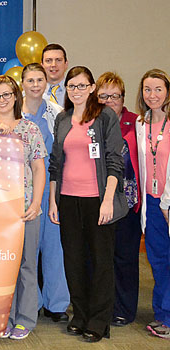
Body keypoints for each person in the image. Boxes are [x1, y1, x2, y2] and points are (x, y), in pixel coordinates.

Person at [48, 66, 127, 342]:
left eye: (82, 86)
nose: (77, 91)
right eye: (72, 86)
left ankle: (98, 321)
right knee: (74, 260)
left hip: (98, 201)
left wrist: (108, 201)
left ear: (92, 88)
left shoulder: (105, 117)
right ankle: (79, 315)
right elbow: (55, 164)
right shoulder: (63, 118)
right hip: (68, 200)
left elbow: (116, 162)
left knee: (102, 262)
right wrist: (53, 201)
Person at [0, 75, 46, 340]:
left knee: (26, 265)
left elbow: (38, 168)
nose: (1, 100)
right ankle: (1, 317)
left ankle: (25, 319)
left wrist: (36, 202)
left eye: (6, 95)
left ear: (15, 96)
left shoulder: (30, 130)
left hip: (24, 209)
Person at [20, 64, 70, 323]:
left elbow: (62, 154)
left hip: (51, 187)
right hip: (23, 189)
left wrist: (55, 195)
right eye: (30, 80)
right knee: (28, 250)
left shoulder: (57, 113)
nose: (36, 84)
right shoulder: (14, 114)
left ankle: (57, 304)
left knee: (54, 248)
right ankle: (33, 302)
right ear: (23, 83)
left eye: (40, 79)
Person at [95, 72, 142, 327]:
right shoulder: (91, 123)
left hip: (127, 204)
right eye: (103, 95)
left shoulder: (137, 122)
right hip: (99, 201)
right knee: (101, 259)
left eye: (114, 96)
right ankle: (104, 305)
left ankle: (124, 308)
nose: (109, 100)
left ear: (123, 98)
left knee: (125, 258)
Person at [135, 69, 170, 339]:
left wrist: (167, 203)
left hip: (168, 202)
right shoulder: (140, 124)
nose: (153, 95)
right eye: (148, 89)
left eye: (158, 89)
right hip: (151, 202)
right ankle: (161, 315)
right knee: (158, 262)